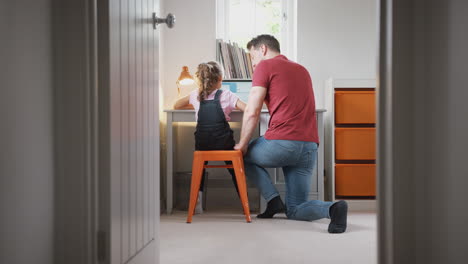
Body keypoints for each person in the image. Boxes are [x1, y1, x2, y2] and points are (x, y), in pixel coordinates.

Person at [234, 35, 348, 233]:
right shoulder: (302, 69)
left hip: (282, 143)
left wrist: (242, 145)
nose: (253, 65)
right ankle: (333, 208)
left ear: (262, 50)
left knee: (240, 157)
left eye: (252, 58)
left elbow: (252, 110)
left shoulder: (265, 66)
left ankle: (273, 200)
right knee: (295, 209)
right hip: (309, 146)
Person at [174, 61, 246, 214]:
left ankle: (197, 203)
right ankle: (244, 201)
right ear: (220, 78)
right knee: (234, 168)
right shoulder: (226, 95)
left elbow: (176, 105)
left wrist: (193, 104)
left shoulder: (195, 95)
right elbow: (246, 109)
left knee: (199, 168)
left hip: (203, 145)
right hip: (224, 145)